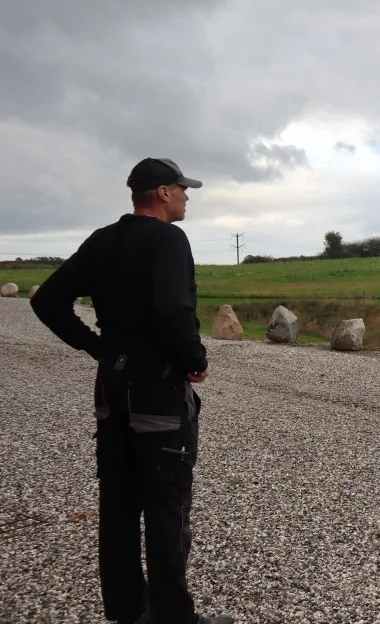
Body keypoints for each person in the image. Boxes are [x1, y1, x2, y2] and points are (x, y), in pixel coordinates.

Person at [31, 158, 233, 624]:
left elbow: (47, 300)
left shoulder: (103, 239)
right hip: (157, 386)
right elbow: (172, 309)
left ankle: (128, 612)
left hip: (111, 384)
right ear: (163, 193)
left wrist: (96, 347)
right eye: (183, 189)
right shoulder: (169, 239)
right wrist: (195, 361)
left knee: (119, 502)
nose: (187, 196)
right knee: (166, 504)